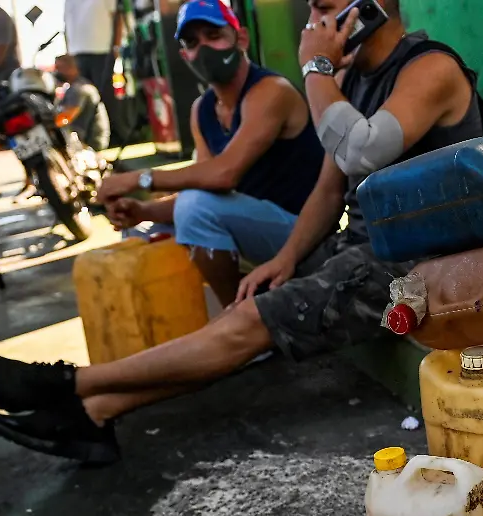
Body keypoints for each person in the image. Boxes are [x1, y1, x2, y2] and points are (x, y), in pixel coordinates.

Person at [0, 0, 483, 465]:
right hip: (362, 248)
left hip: (419, 266)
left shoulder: (429, 68)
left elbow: (363, 150)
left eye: (327, 6)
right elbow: (329, 190)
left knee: (248, 320)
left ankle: (68, 383)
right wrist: (285, 258)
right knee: (249, 309)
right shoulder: (348, 81)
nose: (314, 16)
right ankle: (95, 413)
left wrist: (316, 69)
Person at [96, 0, 325, 306]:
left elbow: (223, 175)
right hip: (253, 229)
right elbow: (204, 188)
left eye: (213, 35)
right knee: (142, 236)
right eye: (192, 43)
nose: (204, 49)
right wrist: (142, 211)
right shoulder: (202, 110)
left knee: (195, 208)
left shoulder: (270, 91)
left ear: (241, 39)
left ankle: (241, 318)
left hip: (303, 235)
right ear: (184, 55)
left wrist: (140, 179)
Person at [64, 0, 125, 144]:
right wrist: (69, 51)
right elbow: (67, 25)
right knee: (83, 96)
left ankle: (113, 135)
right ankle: (87, 137)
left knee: (104, 94)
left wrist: (116, 46)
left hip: (102, 49)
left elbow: (117, 17)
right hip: (77, 52)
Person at [53, 54, 111, 150]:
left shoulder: (79, 89)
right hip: (92, 138)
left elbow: (66, 117)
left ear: (71, 68)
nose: (56, 72)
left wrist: (49, 126)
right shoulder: (79, 85)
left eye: (59, 68)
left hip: (91, 141)